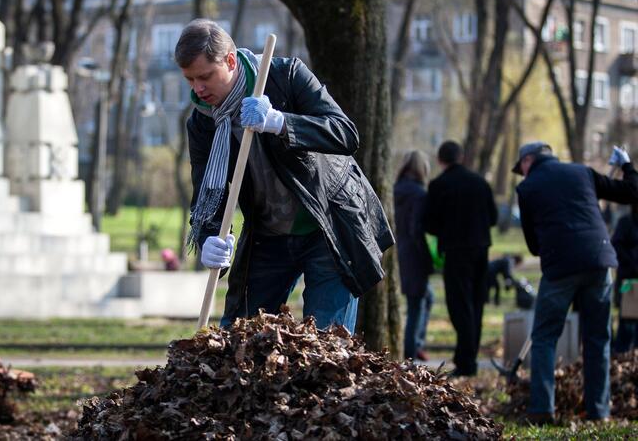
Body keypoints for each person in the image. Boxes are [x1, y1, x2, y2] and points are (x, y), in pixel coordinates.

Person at [176, 19, 394, 331]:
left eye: (205, 76)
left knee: (325, 343)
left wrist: (280, 123)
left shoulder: (285, 76)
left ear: (230, 60)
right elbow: (207, 191)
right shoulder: (203, 122)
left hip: (328, 225)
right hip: (269, 237)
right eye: (190, 79)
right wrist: (210, 236)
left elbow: (345, 134)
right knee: (240, 336)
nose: (198, 89)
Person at [513, 141, 638, 424]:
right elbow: (632, 191)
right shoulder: (583, 172)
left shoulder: (527, 188)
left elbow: (533, 245)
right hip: (599, 261)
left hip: (560, 268)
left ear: (528, 161)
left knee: (545, 337)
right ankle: (599, 411)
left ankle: (543, 409)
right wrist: (627, 165)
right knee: (598, 338)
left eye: (521, 166)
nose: (521, 172)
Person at [424, 140, 497, 376]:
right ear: (462, 157)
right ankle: (469, 358)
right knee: (476, 303)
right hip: (481, 248)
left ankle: (466, 362)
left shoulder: (438, 185)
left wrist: (446, 230)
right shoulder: (480, 182)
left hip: (456, 251)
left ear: (440, 160)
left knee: (459, 304)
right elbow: (493, 217)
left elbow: (429, 223)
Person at [394, 150, 434, 361]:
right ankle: (411, 351)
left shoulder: (394, 189)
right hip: (414, 255)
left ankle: (415, 344)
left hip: (398, 250)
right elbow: (416, 229)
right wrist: (428, 258)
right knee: (416, 303)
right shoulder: (419, 194)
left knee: (425, 298)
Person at [610, 205, 638, 354]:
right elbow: (616, 246)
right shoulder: (625, 223)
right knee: (627, 323)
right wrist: (632, 264)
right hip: (629, 282)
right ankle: (621, 356)